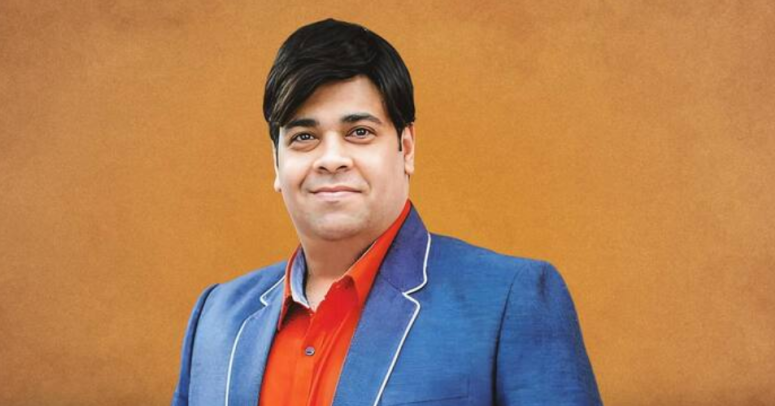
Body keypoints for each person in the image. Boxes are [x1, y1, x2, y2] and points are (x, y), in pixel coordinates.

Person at [172, 18, 602, 406]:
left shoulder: (510, 300)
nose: (331, 159)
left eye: (359, 132)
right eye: (304, 137)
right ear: (276, 163)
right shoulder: (217, 316)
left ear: (406, 148)